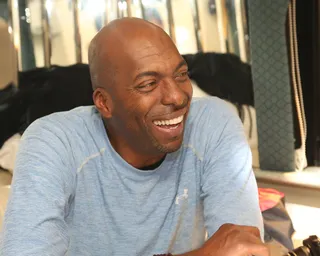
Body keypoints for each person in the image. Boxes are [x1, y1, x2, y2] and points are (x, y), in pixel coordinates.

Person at [0, 18, 269, 256]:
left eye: (181, 74)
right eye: (148, 84)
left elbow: (245, 248)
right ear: (104, 103)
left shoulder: (214, 124)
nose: (176, 97)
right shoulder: (54, 142)